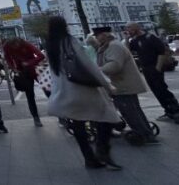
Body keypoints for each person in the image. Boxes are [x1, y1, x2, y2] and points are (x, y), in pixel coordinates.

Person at [46, 16, 122, 170]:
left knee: (78, 124)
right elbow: (87, 64)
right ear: (64, 26)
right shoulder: (69, 41)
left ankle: (89, 158)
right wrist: (106, 85)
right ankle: (102, 149)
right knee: (107, 115)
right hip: (81, 87)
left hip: (64, 91)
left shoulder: (49, 44)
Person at [93, 26, 158, 145]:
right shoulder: (110, 46)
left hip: (123, 85)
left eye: (97, 36)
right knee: (132, 110)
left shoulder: (114, 46)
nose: (96, 39)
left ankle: (144, 134)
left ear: (103, 35)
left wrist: (98, 70)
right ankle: (146, 132)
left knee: (130, 111)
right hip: (121, 84)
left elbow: (115, 65)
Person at [126, 23, 179, 124]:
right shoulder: (135, 40)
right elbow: (128, 50)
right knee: (156, 90)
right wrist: (127, 39)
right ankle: (168, 110)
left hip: (154, 67)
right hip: (145, 68)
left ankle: (177, 111)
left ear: (137, 27)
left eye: (130, 28)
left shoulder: (150, 37)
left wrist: (158, 68)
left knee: (162, 89)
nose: (128, 30)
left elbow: (161, 52)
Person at [2, 37, 46, 127]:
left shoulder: (26, 44)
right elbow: (7, 57)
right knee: (30, 96)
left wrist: (29, 63)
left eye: (17, 46)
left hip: (34, 69)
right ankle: (36, 117)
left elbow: (41, 56)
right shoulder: (7, 47)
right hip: (22, 73)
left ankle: (61, 117)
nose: (16, 48)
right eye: (14, 47)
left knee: (48, 91)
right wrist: (13, 68)